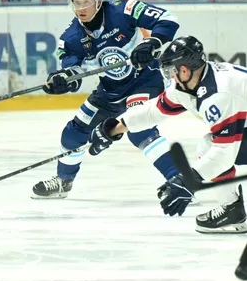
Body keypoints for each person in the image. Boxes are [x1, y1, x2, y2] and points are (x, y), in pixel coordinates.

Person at [31, 0, 181, 199]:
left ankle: (179, 180)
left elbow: (168, 19)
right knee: (74, 132)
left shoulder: (125, 9)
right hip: (110, 91)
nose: (81, 7)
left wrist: (152, 42)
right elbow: (74, 71)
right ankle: (64, 181)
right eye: (76, 2)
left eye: (86, 1)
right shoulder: (70, 38)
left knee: (139, 128)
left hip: (144, 80)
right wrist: (62, 80)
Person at [90, 35, 247, 234]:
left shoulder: (219, 95)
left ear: (183, 69)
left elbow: (224, 154)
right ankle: (233, 211)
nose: (170, 76)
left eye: (171, 70)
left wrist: (186, 182)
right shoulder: (189, 83)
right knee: (209, 144)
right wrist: (115, 128)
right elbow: (154, 111)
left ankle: (233, 211)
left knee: (211, 147)